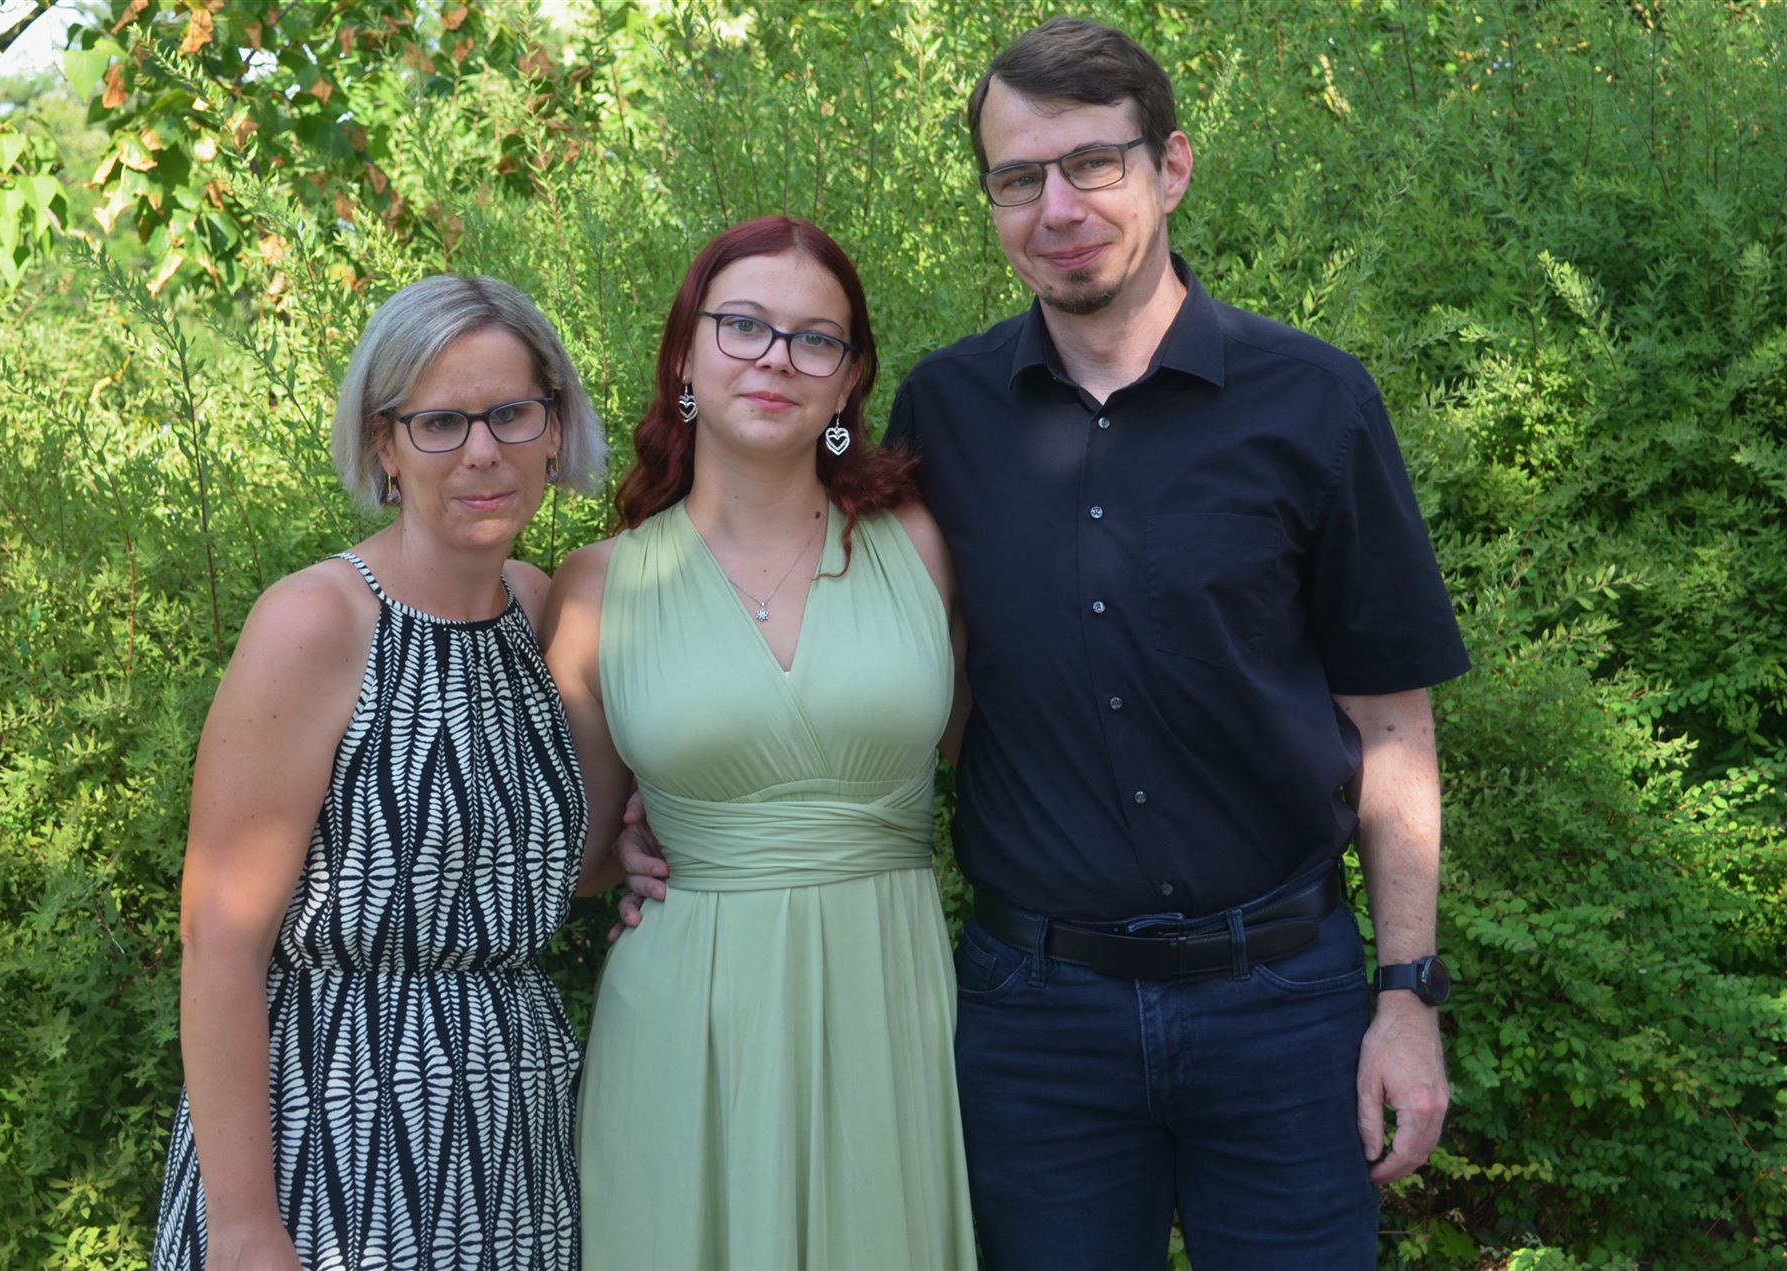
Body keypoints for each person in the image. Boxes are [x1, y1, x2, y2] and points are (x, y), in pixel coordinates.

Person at [610, 18, 1469, 1270]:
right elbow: (857, 654)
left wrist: (1407, 993)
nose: (1057, 207)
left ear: (1172, 168)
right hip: (1036, 1021)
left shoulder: (1314, 402)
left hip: (1284, 1003)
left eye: (1093, 164)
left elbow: (1392, 721)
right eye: (1019, 177)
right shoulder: (945, 416)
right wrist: (688, 801)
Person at [541, 215, 977, 1269]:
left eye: (814, 338)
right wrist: (626, 850)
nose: (777, 357)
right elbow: (579, 856)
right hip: (687, 1020)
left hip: (890, 1005)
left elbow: (998, 763)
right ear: (685, 357)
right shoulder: (599, 588)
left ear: (849, 381)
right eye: (743, 325)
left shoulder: (920, 546)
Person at [151, 274, 607, 1271]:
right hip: (336, 1142)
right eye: (440, 422)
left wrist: (647, 849)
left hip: (514, 1149)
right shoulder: (317, 623)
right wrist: (243, 1227)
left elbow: (545, 866)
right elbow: (219, 937)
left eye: (511, 413)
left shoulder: (540, 609)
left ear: (553, 429)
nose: (482, 450)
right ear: (384, 445)